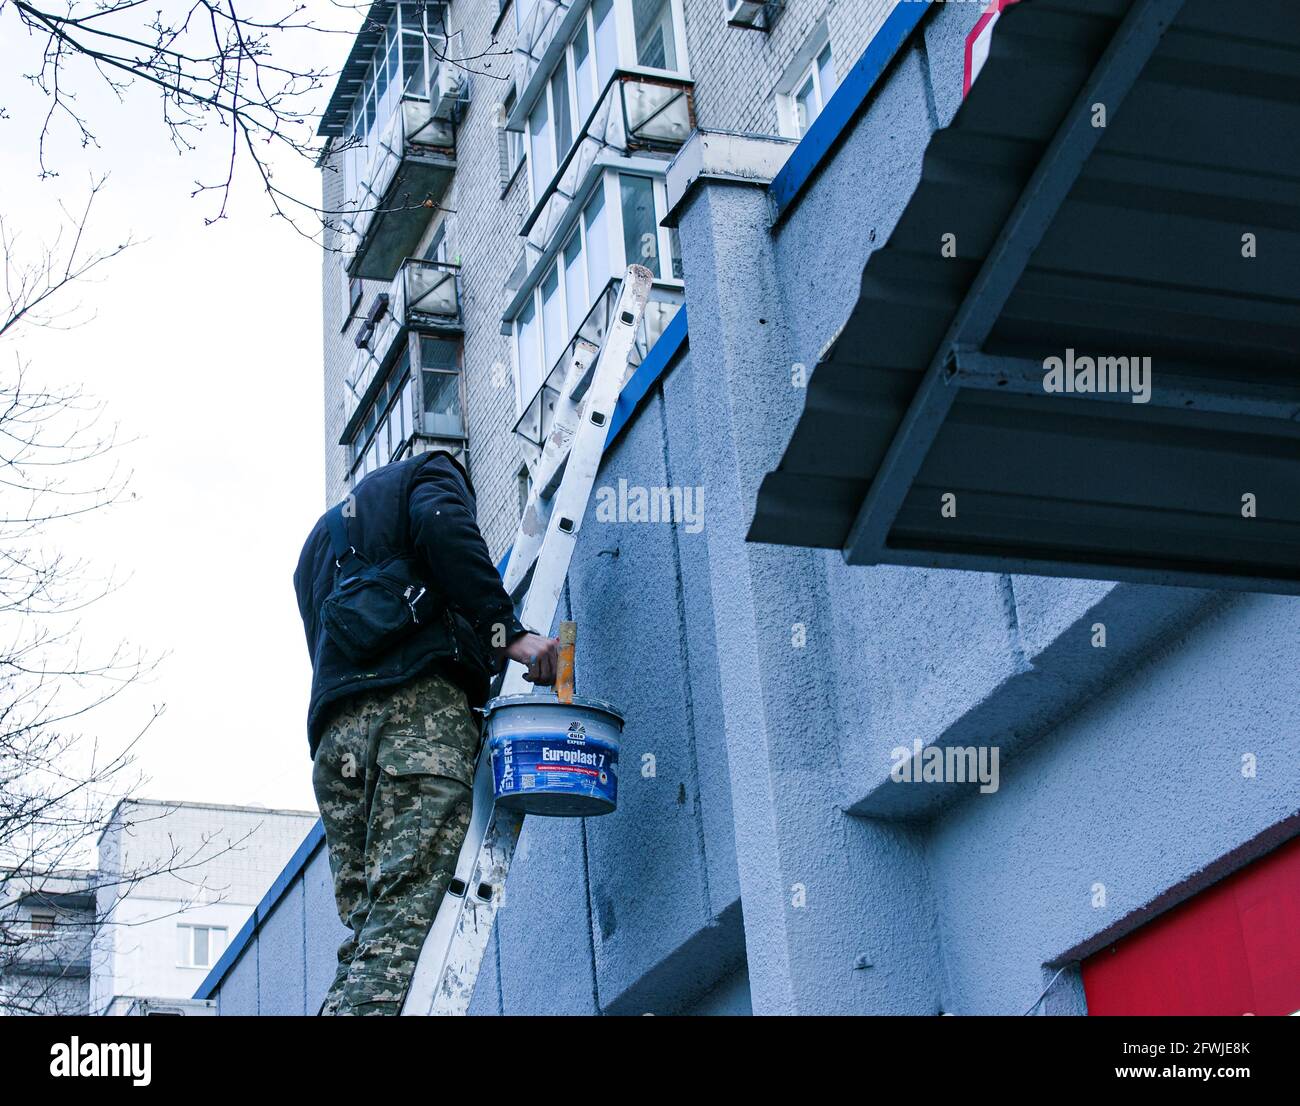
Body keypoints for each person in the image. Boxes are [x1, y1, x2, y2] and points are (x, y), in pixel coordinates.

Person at [293, 449, 557, 1016]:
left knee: (370, 926)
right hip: (415, 719)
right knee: (408, 913)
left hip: (335, 745)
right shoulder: (433, 472)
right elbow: (444, 528)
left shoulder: (318, 543)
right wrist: (505, 631)